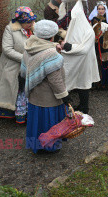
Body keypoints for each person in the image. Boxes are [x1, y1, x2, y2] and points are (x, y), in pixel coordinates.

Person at [21, 20, 71, 154]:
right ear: (52, 36)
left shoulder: (29, 47)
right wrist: (64, 96)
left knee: (36, 122)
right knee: (49, 123)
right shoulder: (51, 55)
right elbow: (55, 80)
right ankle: (50, 146)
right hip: (49, 99)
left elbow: (23, 71)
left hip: (34, 96)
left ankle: (35, 144)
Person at [0, 6, 36, 123]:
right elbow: (7, 49)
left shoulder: (35, 29)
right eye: (27, 22)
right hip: (12, 67)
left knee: (26, 91)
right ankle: (9, 115)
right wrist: (25, 59)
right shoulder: (10, 29)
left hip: (29, 67)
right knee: (12, 90)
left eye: (31, 21)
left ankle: (25, 115)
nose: (30, 24)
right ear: (20, 21)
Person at [58, 0, 100, 114]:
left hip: (85, 61)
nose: (71, 20)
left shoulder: (88, 31)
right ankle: (78, 106)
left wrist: (66, 46)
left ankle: (84, 108)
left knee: (84, 84)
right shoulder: (75, 27)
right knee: (79, 83)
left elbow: (83, 49)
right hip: (77, 61)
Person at [90, 1, 108, 90]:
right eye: (99, 9)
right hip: (95, 45)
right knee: (95, 64)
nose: (101, 11)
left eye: (102, 9)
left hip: (104, 46)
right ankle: (95, 82)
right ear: (96, 10)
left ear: (105, 10)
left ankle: (105, 83)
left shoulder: (107, 20)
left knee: (105, 64)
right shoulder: (93, 19)